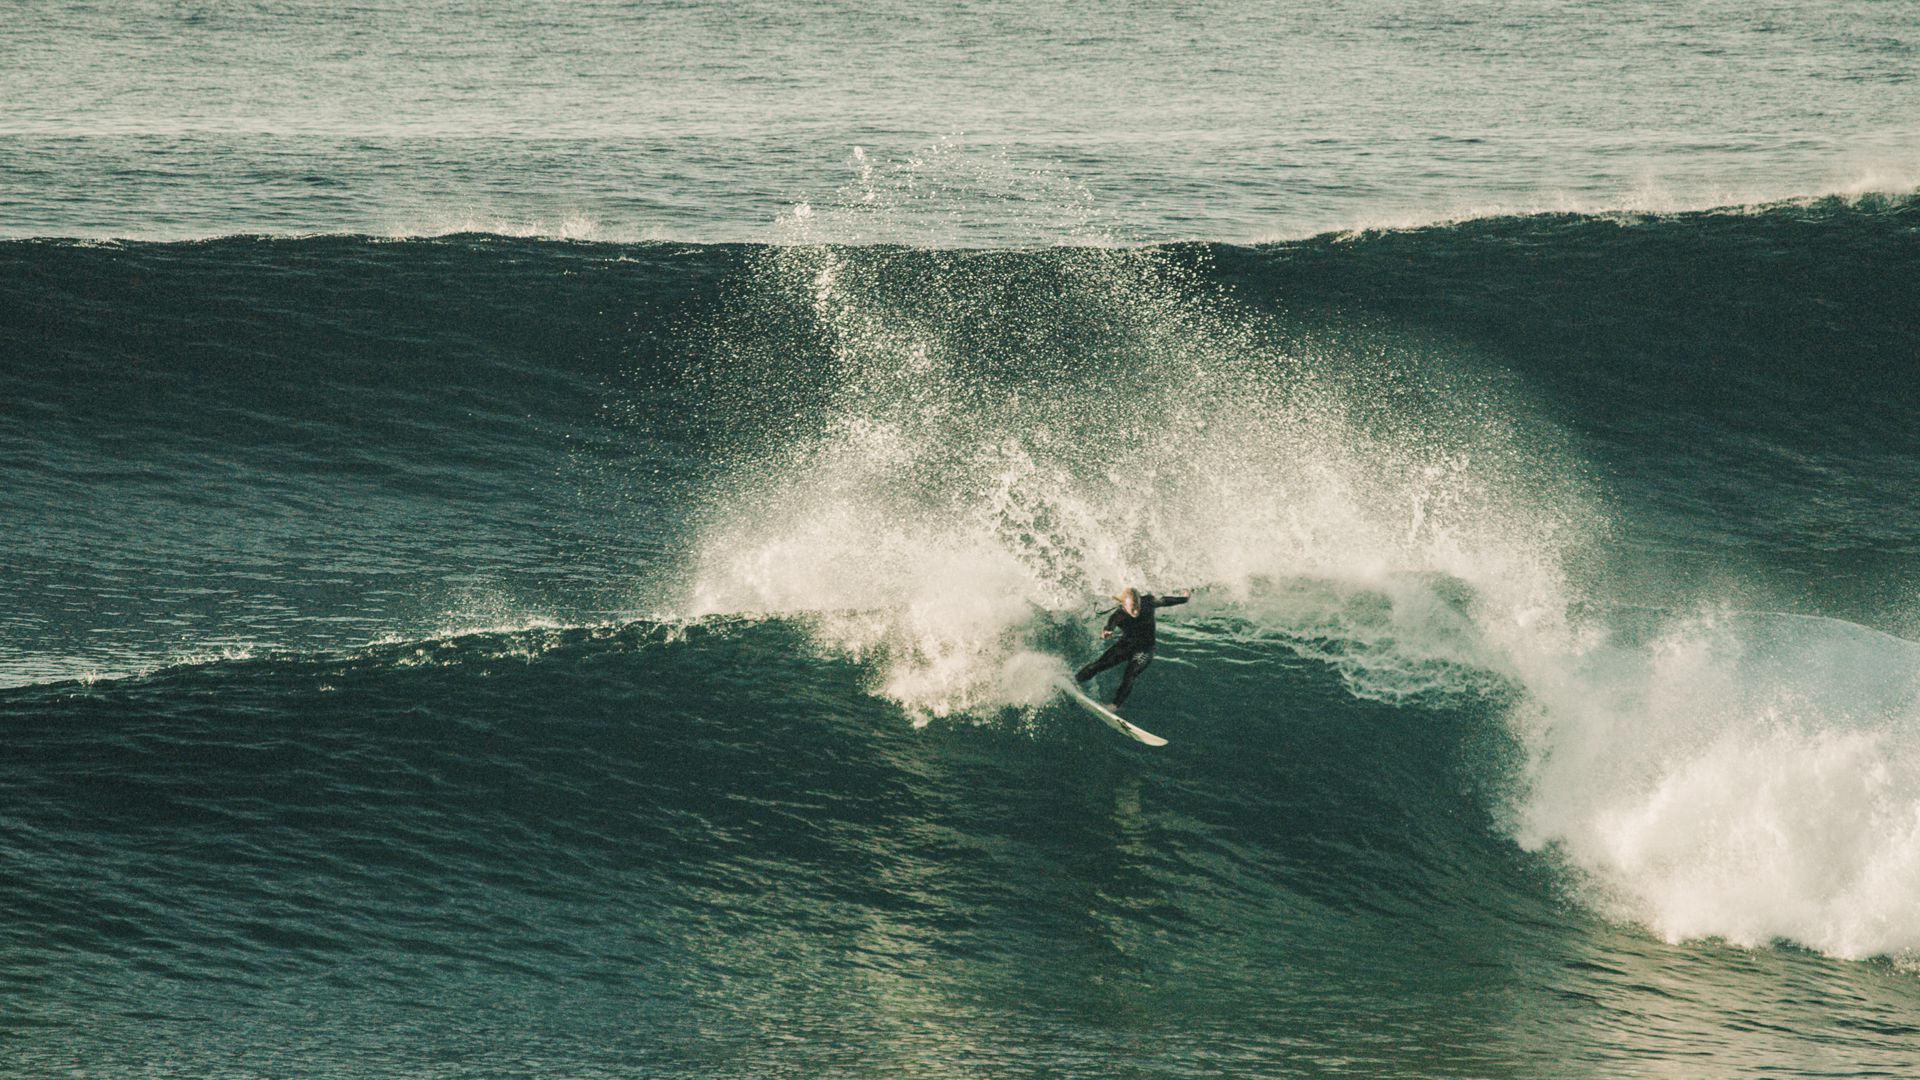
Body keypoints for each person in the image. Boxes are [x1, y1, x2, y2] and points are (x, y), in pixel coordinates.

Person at [1075, 586, 1191, 708]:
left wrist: (1184, 599)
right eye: (1132, 608)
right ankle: (1075, 682)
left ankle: (1114, 706)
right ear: (1124, 605)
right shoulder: (1118, 615)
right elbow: (1110, 626)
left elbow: (1165, 601)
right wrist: (1106, 632)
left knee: (1130, 674)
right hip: (1125, 646)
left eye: (1137, 607)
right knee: (1097, 666)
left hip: (1145, 649)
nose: (1136, 612)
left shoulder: (1148, 602)